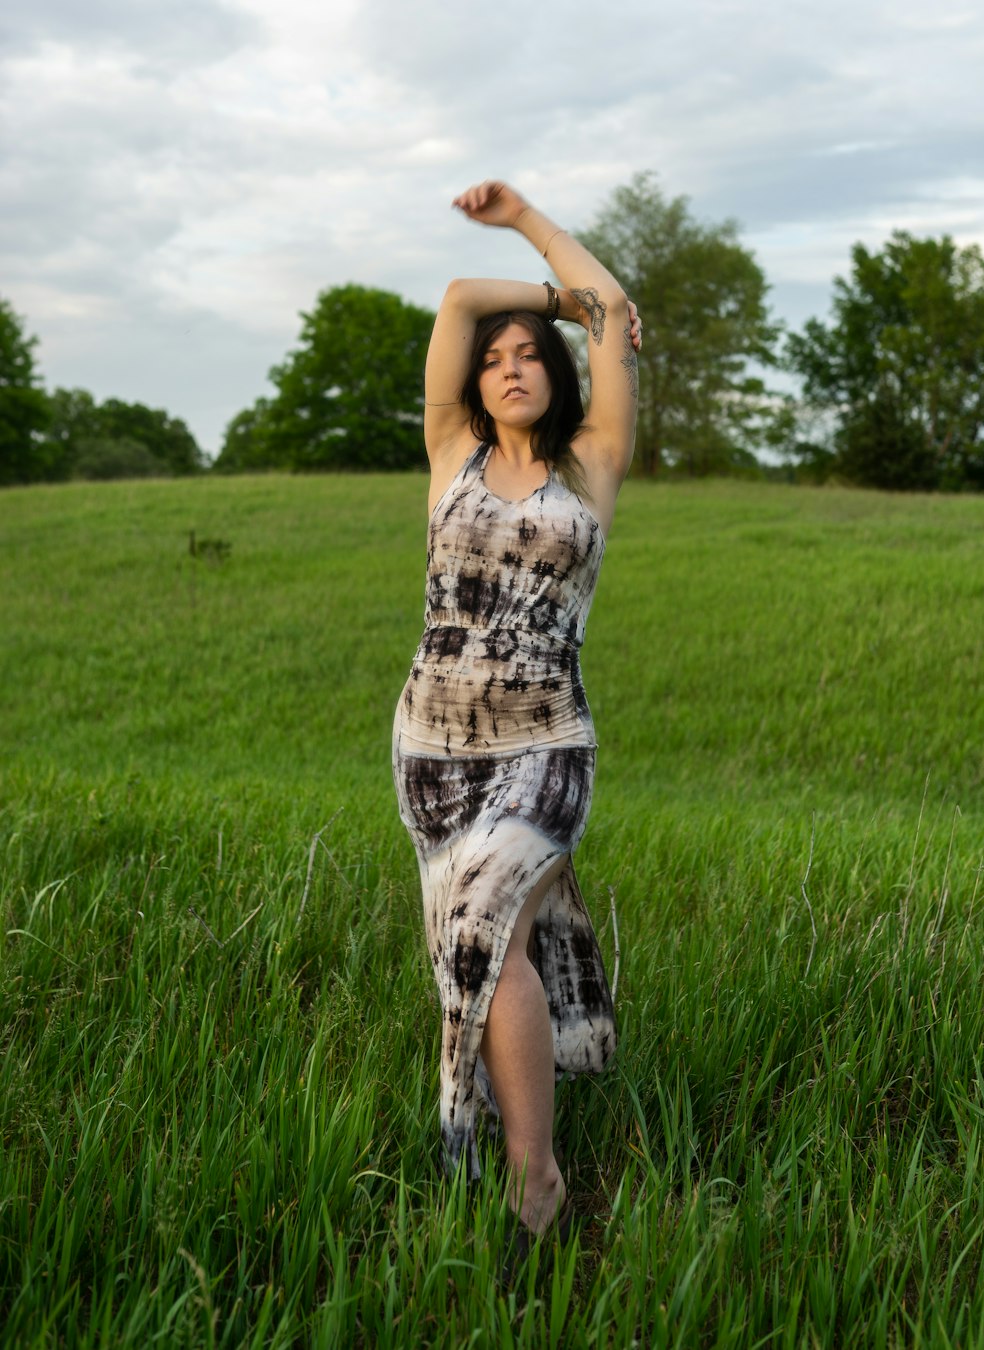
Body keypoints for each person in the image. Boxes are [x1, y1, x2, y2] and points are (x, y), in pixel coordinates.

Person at [392, 179, 640, 1246]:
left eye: (528, 352)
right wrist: (543, 294)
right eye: (495, 360)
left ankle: (533, 1178)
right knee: (485, 954)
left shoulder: (591, 469)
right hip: (435, 748)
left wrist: (535, 219)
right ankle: (526, 1167)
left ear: (557, 374)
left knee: (490, 918)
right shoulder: (451, 453)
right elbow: (455, 299)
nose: (508, 366)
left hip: (545, 742)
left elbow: (615, 314)